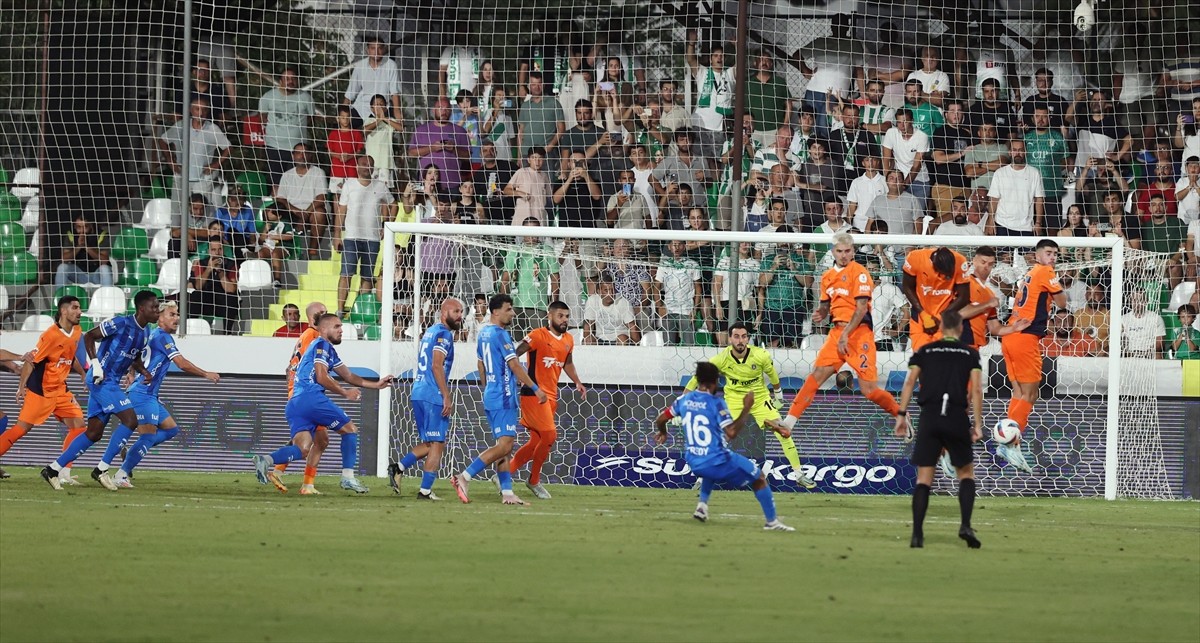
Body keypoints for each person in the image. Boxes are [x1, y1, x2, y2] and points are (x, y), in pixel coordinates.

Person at [254, 314, 394, 495]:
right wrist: (345, 392)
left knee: (303, 449)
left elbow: (349, 376)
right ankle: (348, 477)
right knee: (350, 430)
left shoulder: (326, 350)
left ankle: (265, 460)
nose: (341, 330)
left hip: (295, 403)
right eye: (337, 326)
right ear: (324, 329)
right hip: (311, 398)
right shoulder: (322, 345)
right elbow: (321, 376)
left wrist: (376, 384)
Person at [782, 233, 903, 430]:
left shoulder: (860, 273)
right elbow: (824, 305)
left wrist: (846, 334)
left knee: (869, 390)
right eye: (840, 251)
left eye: (847, 251)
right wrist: (820, 313)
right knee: (816, 376)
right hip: (837, 333)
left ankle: (900, 415)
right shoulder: (828, 277)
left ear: (853, 251)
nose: (844, 255)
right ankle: (788, 422)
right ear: (833, 252)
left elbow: (861, 308)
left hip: (858, 333)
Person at [654, 362, 794, 531]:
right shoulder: (716, 403)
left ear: (697, 379)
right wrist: (746, 408)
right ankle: (772, 522)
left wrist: (663, 433)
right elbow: (732, 432)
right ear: (715, 382)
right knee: (760, 478)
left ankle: (702, 506)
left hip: (693, 461)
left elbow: (661, 419)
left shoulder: (682, 400)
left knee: (708, 468)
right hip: (718, 460)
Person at [42, 291, 159, 490]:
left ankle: (52, 469)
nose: (157, 311)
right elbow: (89, 336)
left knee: (94, 433)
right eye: (154, 307)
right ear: (142, 309)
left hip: (111, 381)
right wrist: (95, 364)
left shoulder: (146, 331)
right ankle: (101, 469)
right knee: (131, 420)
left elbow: (134, 357)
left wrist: (144, 372)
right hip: (101, 379)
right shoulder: (120, 323)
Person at [97, 301, 220, 488]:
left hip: (148, 394)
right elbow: (181, 363)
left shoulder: (152, 335)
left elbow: (135, 356)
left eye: (177, 314)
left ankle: (130, 451)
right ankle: (121, 474)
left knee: (171, 429)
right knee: (147, 437)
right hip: (143, 394)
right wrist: (205, 374)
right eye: (172, 314)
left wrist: (131, 373)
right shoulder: (163, 338)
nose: (177, 318)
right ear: (160, 317)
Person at [684, 322, 815, 489]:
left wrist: (778, 394)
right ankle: (703, 478)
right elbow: (697, 379)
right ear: (730, 338)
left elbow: (771, 373)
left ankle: (799, 475)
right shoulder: (720, 359)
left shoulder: (760, 355)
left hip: (759, 399)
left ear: (748, 338)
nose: (740, 341)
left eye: (744, 336)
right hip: (734, 400)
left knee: (783, 431)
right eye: (736, 337)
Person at [893, 309, 983, 549]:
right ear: (961, 328)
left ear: (941, 327)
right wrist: (977, 424)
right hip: (955, 416)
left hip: (930, 416)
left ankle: (917, 534)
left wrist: (901, 414)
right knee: (966, 474)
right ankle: (965, 525)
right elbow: (975, 389)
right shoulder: (970, 354)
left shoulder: (925, 351)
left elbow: (910, 381)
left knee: (924, 479)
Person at [452, 294, 548, 505]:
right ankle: (464, 477)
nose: (513, 313)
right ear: (496, 312)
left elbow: (480, 365)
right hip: (504, 397)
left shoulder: (483, 333)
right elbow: (514, 365)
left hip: (492, 395)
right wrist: (536, 388)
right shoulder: (501, 335)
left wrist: (488, 388)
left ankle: (507, 493)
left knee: (504, 446)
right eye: (508, 309)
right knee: (505, 446)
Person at [0, 297, 87, 484]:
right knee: (21, 429)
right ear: (63, 311)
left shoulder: (77, 331)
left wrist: (82, 373)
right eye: (75, 308)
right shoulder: (50, 336)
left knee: (79, 426)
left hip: (61, 390)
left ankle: (63, 472)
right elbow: (32, 361)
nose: (80, 312)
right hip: (41, 390)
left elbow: (70, 357)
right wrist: (22, 386)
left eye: (79, 308)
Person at [998, 238, 1068, 473]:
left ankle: (1008, 442)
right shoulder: (1045, 271)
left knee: (1019, 391)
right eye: (1049, 253)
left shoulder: (1030, 274)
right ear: (1037, 256)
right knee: (1031, 392)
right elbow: (1062, 301)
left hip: (1010, 336)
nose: (1053, 257)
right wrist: (1056, 282)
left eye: (1055, 254)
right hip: (1025, 336)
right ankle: (1009, 442)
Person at [388, 298, 465, 500]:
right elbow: (436, 365)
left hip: (419, 392)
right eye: (456, 311)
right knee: (438, 444)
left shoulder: (430, 331)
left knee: (431, 444)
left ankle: (399, 467)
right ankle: (425, 491)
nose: (460, 315)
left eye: (461, 312)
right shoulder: (444, 334)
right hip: (433, 394)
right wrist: (446, 395)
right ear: (444, 312)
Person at [510, 302, 586, 499]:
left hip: (551, 395)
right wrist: (519, 376)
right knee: (550, 435)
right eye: (560, 316)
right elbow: (515, 354)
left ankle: (505, 473)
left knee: (537, 440)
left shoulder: (569, 339)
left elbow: (567, 362)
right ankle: (534, 481)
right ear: (549, 317)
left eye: (567, 316)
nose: (565, 320)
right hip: (534, 394)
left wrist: (577, 381)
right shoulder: (537, 335)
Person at [335, 155, 394, 316]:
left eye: (370, 165)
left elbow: (393, 204)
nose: (367, 167)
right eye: (364, 164)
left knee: (367, 277)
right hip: (351, 238)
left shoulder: (380, 186)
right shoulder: (349, 185)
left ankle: (361, 311)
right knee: (346, 274)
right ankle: (340, 310)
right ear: (357, 167)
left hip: (372, 239)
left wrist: (387, 224)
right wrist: (336, 234)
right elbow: (341, 210)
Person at [158, 97, 230, 208]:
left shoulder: (213, 129)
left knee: (201, 212)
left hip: (202, 179)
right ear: (191, 110)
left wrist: (216, 164)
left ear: (208, 111)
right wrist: (170, 159)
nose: (201, 113)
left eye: (204, 110)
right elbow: (162, 141)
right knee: (177, 213)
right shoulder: (181, 126)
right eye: (197, 109)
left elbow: (228, 148)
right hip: (180, 177)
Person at [957, 246, 1031, 351]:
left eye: (990, 264)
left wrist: (1013, 328)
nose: (986, 266)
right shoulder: (965, 284)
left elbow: (994, 328)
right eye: (983, 262)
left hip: (977, 346)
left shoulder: (989, 294)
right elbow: (959, 313)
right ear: (974, 261)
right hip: (959, 343)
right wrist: (987, 304)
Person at [901, 246, 970, 353]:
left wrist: (940, 317)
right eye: (944, 274)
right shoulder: (915, 258)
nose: (946, 277)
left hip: (947, 320)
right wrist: (924, 315)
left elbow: (964, 297)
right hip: (921, 318)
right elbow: (907, 287)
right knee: (922, 359)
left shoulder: (960, 261)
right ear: (935, 266)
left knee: (943, 360)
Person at [257, 67, 314, 187]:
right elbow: (262, 116)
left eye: (293, 78)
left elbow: (311, 118)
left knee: (296, 183)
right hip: (274, 146)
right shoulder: (268, 96)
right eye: (287, 78)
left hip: (298, 149)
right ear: (281, 81)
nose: (290, 81)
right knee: (276, 183)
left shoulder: (306, 97)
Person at [274, 143, 328, 257]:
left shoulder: (318, 172)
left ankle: (312, 250)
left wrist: (305, 214)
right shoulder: (287, 175)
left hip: (311, 210)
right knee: (274, 210)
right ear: (293, 156)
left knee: (319, 213)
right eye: (298, 153)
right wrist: (297, 212)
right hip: (292, 211)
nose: (301, 156)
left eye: (304, 153)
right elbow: (281, 199)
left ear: (310, 155)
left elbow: (321, 199)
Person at [988, 139, 1046, 236]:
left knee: (1029, 252)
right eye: (1014, 150)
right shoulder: (1000, 173)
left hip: (1026, 226)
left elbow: (1039, 200)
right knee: (1004, 252)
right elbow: (993, 199)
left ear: (1025, 152)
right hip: (1003, 224)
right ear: (1010, 152)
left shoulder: (1034, 173)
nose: (1017, 153)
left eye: (1020, 150)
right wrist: (990, 220)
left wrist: (1038, 223)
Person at [343, 36, 403, 127]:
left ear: (383, 49)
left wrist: (397, 111)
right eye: (373, 48)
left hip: (383, 108)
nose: (376, 51)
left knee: (396, 126)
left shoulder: (391, 65)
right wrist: (342, 112)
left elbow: (395, 92)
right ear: (368, 50)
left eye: (379, 48)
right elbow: (351, 92)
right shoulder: (360, 66)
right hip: (362, 108)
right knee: (346, 127)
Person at [55, 215, 114, 289]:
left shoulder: (101, 235)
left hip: (96, 274)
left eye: (85, 227)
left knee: (105, 268)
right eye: (78, 227)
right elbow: (64, 259)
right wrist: (79, 246)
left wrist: (87, 247)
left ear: (91, 226)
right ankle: (60, 298)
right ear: (75, 227)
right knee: (62, 268)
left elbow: (104, 260)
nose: (82, 230)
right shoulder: (71, 235)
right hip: (79, 274)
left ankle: (108, 297)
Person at [582, 275, 639, 345]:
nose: (611, 293)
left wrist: (637, 347)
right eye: (606, 290)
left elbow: (633, 328)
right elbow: (587, 326)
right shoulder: (592, 301)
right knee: (587, 340)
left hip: (619, 339)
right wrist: (587, 338)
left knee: (622, 339)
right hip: (600, 339)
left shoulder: (622, 302)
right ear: (599, 292)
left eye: (612, 290)